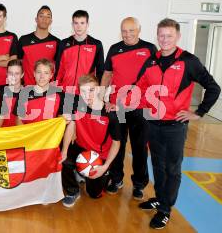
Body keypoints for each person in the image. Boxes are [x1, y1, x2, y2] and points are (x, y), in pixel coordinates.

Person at [128, 18, 220, 229]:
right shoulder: (151, 61)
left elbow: (213, 87)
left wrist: (199, 112)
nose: (165, 39)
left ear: (178, 36)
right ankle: (161, 199)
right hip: (153, 124)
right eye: (161, 35)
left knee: (172, 169)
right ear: (157, 36)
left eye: (169, 35)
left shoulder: (189, 61)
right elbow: (138, 88)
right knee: (158, 166)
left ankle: (165, 210)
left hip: (175, 127)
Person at [100, 17, 157, 199]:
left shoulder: (149, 49)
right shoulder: (115, 49)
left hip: (141, 108)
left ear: (139, 30)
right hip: (118, 107)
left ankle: (139, 184)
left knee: (140, 148)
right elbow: (107, 75)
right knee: (118, 144)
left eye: (131, 30)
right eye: (124, 30)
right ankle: (116, 179)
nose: (128, 34)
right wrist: (103, 97)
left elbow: (156, 76)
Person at [60, 74, 120, 208]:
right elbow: (71, 125)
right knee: (63, 159)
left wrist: (105, 166)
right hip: (81, 147)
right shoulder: (76, 104)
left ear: (98, 89)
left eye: (91, 90)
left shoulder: (109, 113)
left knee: (94, 194)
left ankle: (107, 174)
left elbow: (117, 143)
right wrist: (64, 152)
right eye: (83, 92)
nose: (88, 95)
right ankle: (73, 191)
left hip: (100, 154)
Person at [55, 10, 104, 95]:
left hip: (86, 93)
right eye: (76, 23)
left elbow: (100, 72)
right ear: (72, 25)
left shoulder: (96, 44)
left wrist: (98, 93)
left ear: (87, 24)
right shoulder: (64, 43)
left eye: (82, 23)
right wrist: (57, 89)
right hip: (65, 92)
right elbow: (58, 69)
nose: (79, 26)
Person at [18, 6, 60, 85]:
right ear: (36, 19)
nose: (44, 19)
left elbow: (58, 68)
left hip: (48, 90)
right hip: (27, 88)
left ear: (51, 21)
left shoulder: (57, 42)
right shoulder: (24, 40)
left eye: (48, 17)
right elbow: (19, 64)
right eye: (41, 16)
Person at [0, 59, 24, 127]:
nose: (13, 76)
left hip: (20, 132)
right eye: (10, 73)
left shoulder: (28, 93)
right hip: (2, 132)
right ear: (7, 74)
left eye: (17, 73)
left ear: (22, 75)